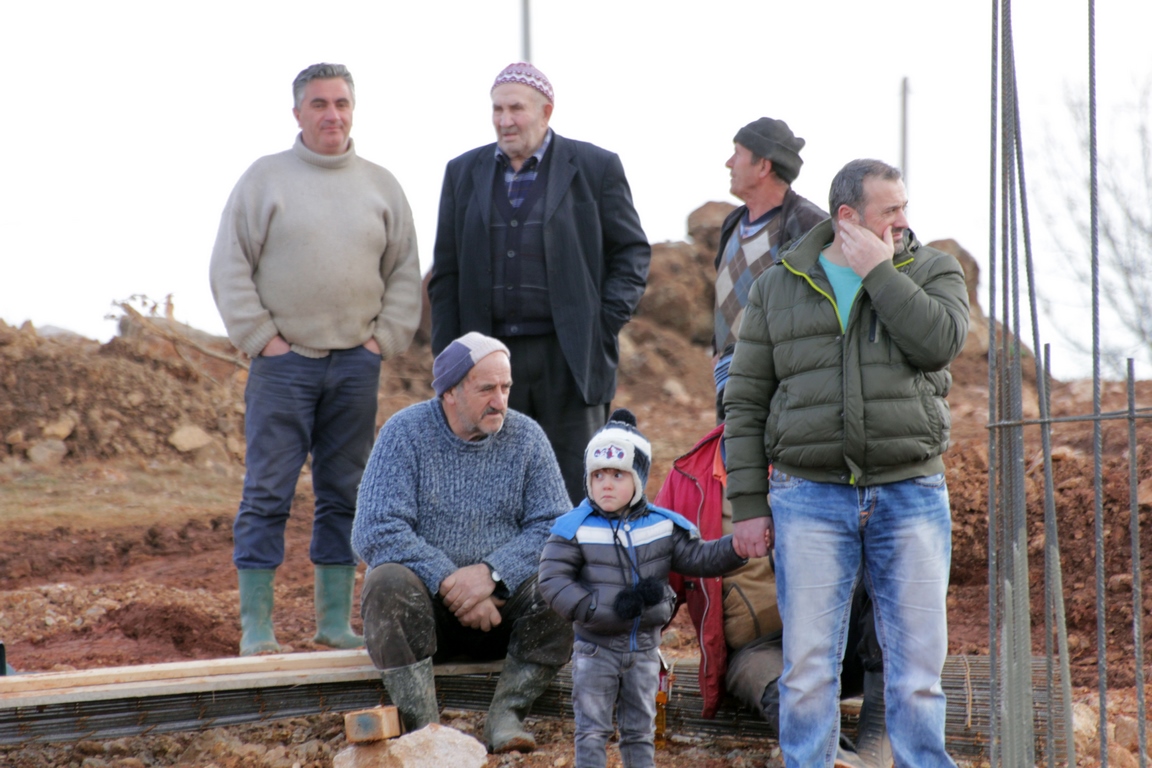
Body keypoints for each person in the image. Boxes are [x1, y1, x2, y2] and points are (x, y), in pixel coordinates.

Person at [724, 159, 969, 768]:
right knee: (809, 667)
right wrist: (749, 504)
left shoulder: (933, 270)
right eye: (891, 210)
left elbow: (939, 344)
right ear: (848, 216)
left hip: (910, 492)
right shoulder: (778, 286)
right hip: (809, 497)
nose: (904, 220)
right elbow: (746, 402)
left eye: (904, 206)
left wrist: (879, 273)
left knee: (917, 667)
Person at [209, 63, 421, 657]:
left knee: (345, 493)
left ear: (353, 109)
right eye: (320, 104)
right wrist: (262, 338)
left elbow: (405, 270)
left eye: (341, 103)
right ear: (298, 112)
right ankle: (257, 628)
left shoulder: (381, 185)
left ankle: (333, 623)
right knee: (267, 492)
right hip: (283, 365)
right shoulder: (265, 179)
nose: (333, 114)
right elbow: (229, 264)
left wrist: (381, 341)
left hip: (355, 365)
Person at [428, 62, 651, 504]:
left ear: (546, 111)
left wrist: (600, 324)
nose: (504, 120)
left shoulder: (595, 167)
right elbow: (446, 273)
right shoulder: (462, 172)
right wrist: (450, 358)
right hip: (486, 363)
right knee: (491, 489)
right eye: (497, 109)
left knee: (575, 490)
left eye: (516, 109)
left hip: (568, 360)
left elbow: (631, 252)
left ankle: (571, 554)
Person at [351, 332, 574, 753]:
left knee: (562, 586)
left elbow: (556, 526)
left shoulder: (526, 437)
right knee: (385, 583)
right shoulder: (405, 433)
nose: (500, 401)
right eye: (487, 388)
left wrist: (492, 575)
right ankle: (424, 729)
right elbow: (375, 528)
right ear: (450, 392)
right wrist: (452, 584)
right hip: (426, 616)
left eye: (506, 387)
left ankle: (507, 714)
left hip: (503, 614)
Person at [655, 425, 891, 768]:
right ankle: (836, 759)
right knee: (780, 689)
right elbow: (656, 574)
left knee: (887, 576)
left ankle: (876, 737)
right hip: (755, 650)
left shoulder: (815, 452)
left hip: (834, 633)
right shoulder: (689, 478)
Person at [538, 409, 748, 768]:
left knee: (640, 731)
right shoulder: (574, 527)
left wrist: (737, 547)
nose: (606, 484)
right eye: (598, 474)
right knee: (591, 730)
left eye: (617, 474)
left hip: (645, 651)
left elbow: (699, 558)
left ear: (638, 478)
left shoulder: (662, 526)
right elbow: (552, 579)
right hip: (595, 649)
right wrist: (592, 609)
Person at [713, 117, 826, 421]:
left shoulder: (808, 224)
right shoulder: (732, 223)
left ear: (763, 166)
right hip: (730, 384)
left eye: (737, 153)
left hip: (781, 393)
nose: (729, 163)